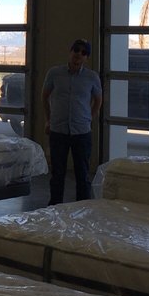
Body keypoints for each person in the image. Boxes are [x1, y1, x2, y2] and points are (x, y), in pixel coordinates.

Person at [42, 38, 102, 205]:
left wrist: (89, 118)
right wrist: (48, 120)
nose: (79, 54)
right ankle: (55, 208)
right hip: (58, 130)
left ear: (86, 58)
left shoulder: (92, 77)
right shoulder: (54, 73)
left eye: (84, 52)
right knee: (57, 173)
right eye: (76, 50)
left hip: (81, 132)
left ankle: (82, 208)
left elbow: (98, 100)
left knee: (82, 173)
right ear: (70, 52)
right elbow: (44, 97)